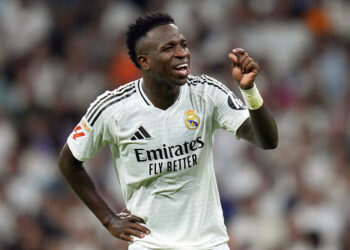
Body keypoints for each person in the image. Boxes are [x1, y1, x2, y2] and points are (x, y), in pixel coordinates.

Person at [58, 12, 278, 250]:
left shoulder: (207, 93)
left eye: (183, 44)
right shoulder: (114, 108)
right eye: (169, 48)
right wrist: (108, 219)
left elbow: (267, 140)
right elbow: (68, 161)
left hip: (208, 243)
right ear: (145, 61)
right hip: (150, 244)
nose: (182, 53)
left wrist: (249, 91)